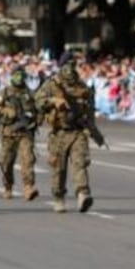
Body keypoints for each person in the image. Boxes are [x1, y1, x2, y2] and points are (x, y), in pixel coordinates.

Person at [35, 51, 96, 213]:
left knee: (80, 163)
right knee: (58, 168)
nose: (70, 67)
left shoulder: (81, 85)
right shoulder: (52, 84)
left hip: (77, 131)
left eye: (72, 64)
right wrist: (53, 102)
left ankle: (83, 193)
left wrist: (91, 128)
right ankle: (58, 197)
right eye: (67, 64)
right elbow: (38, 101)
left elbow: (89, 107)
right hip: (59, 132)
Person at [0, 65, 39, 201]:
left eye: (21, 74)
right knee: (6, 163)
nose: (19, 77)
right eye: (16, 74)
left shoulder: (30, 94)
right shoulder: (4, 93)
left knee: (27, 160)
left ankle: (28, 187)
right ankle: (8, 186)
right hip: (9, 133)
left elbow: (39, 110)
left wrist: (34, 121)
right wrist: (7, 112)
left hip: (25, 134)